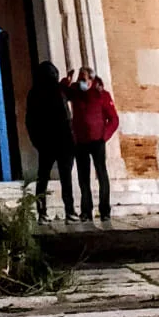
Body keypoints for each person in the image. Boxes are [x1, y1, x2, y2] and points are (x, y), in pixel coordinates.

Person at [63, 65, 119, 222]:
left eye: (84, 79)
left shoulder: (102, 95)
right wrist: (66, 82)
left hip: (97, 141)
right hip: (80, 142)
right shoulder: (75, 92)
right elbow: (61, 94)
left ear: (91, 80)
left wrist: (104, 136)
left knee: (101, 174)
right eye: (80, 78)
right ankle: (86, 211)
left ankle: (105, 210)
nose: (81, 81)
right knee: (83, 178)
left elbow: (113, 119)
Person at [25, 61, 75, 221]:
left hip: (48, 142)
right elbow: (66, 116)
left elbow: (30, 120)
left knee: (45, 178)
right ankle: (69, 211)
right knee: (62, 177)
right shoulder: (56, 91)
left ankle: (43, 212)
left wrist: (37, 141)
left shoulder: (35, 93)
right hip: (59, 141)